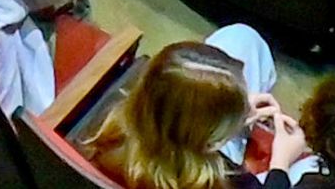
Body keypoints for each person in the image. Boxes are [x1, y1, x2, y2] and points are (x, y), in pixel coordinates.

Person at [93, 40, 271, 189]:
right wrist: (280, 166)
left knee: (240, 35)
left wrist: (233, 117)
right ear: (212, 141)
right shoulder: (230, 181)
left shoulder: (107, 134)